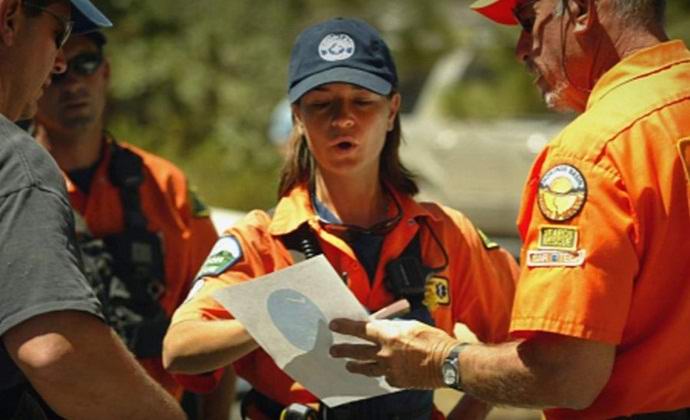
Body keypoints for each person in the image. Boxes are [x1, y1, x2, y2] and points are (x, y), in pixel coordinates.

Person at [328, 0, 690, 419]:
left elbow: (564, 375)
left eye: (528, 22)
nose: (521, 49)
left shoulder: (594, 152)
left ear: (581, 10)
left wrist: (438, 360)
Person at [162, 17, 518, 420]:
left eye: (362, 101)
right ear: (298, 117)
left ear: (392, 110)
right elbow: (179, 349)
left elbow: (521, 340)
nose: (342, 119)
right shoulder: (261, 239)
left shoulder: (446, 235)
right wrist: (270, 320)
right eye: (321, 104)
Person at [32, 30, 236, 418]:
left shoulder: (165, 186)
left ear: (105, 72)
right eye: (58, 70)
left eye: (86, 64)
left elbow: (220, 316)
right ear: (38, 74)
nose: (73, 81)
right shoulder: (16, 187)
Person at [0, 0, 185, 418]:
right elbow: (56, 353)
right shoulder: (14, 163)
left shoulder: (163, 184)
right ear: (9, 19)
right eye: (59, 32)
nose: (62, 64)